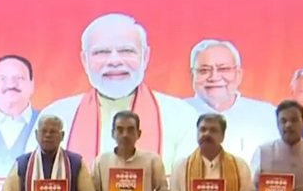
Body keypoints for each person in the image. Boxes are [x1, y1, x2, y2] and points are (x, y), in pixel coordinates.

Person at [29, 13, 198, 171]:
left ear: (145, 57)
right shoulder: (57, 115)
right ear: (85, 60)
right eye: (101, 52)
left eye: (126, 51)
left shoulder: (181, 115)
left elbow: (188, 184)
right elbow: (34, 179)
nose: (114, 61)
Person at [184, 39, 277, 161]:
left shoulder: (268, 115)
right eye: (204, 70)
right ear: (192, 76)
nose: (214, 77)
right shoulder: (173, 113)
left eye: (223, 69)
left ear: (238, 74)